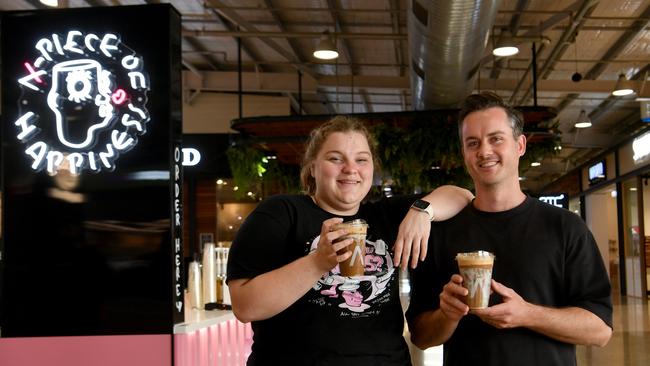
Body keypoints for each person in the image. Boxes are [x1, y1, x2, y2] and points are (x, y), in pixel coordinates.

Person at [226, 115, 473, 365]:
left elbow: (461, 195)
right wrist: (317, 263)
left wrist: (422, 210)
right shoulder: (281, 213)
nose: (351, 169)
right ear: (312, 167)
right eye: (335, 158)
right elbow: (245, 306)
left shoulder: (386, 216)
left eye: (361, 160)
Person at [405, 92, 613, 366]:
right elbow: (421, 336)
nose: (484, 151)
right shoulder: (440, 233)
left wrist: (527, 314)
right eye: (473, 143)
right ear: (464, 153)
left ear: (520, 144)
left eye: (496, 139)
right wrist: (447, 314)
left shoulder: (565, 227)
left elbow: (600, 330)